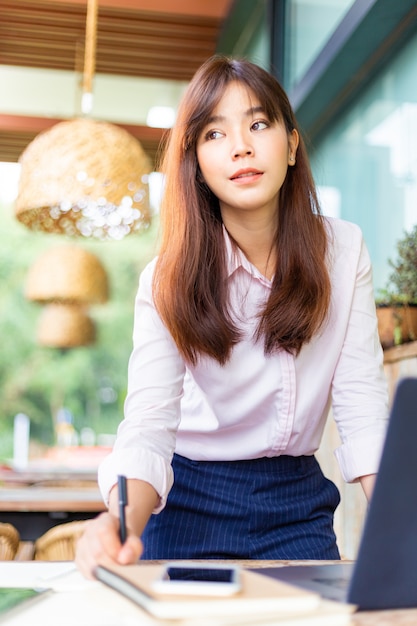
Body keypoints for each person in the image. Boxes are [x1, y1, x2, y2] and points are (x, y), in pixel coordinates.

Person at [76, 55, 388, 578]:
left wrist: (401, 529)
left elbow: (362, 409)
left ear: (291, 144)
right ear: (196, 162)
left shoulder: (343, 250)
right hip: (186, 502)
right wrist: (120, 522)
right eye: (214, 134)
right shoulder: (166, 279)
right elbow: (149, 427)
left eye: (258, 124)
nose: (241, 145)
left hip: (297, 503)